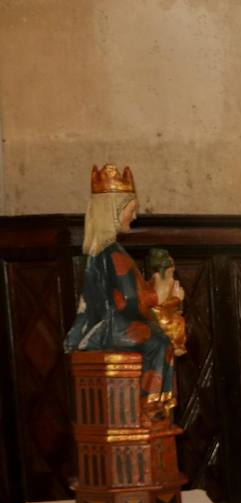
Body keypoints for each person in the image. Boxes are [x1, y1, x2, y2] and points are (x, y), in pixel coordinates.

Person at [63, 164, 185, 419]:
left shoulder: (102, 251)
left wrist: (155, 291)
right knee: (160, 343)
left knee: (159, 335)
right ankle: (149, 406)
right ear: (115, 211)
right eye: (131, 209)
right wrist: (157, 296)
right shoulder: (113, 253)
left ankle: (150, 404)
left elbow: (129, 293)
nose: (135, 215)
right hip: (111, 328)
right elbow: (127, 302)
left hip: (103, 326)